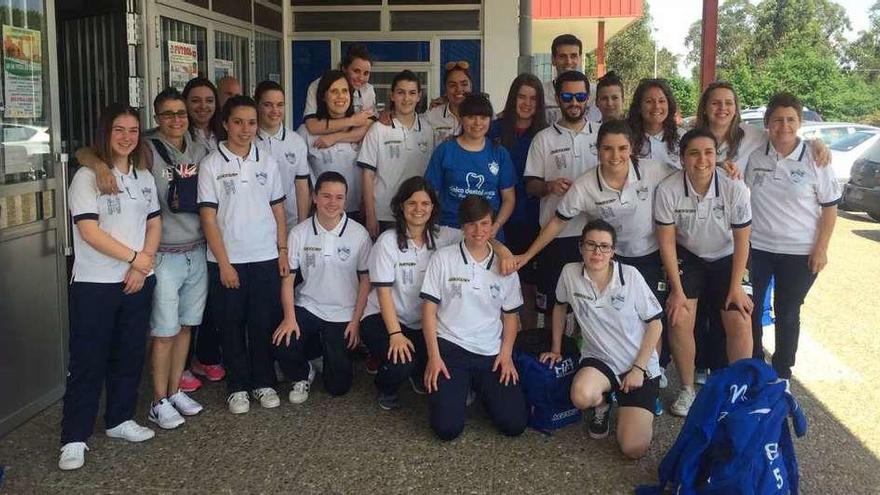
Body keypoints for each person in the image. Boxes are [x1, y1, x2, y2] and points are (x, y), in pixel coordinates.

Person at [59, 103, 161, 470]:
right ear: (106, 133)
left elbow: (154, 223)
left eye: (133, 131)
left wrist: (143, 262)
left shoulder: (143, 176)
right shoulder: (87, 177)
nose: (127, 137)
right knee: (88, 360)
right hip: (96, 284)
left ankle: (119, 419)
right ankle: (74, 437)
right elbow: (89, 232)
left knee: (129, 354)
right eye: (119, 130)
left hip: (136, 281)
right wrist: (136, 257)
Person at [197, 95, 288, 414]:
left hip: (264, 257)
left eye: (251, 122)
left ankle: (264, 382)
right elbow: (208, 217)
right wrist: (224, 264)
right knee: (231, 325)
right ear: (225, 124)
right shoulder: (211, 164)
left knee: (263, 323)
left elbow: (278, 209)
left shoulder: (267, 160)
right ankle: (237, 386)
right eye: (238, 122)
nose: (245, 128)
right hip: (228, 260)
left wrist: (282, 250)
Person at [654, 128, 754, 417]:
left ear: (717, 156)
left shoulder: (735, 187)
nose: (702, 159)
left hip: (728, 257)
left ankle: (739, 390)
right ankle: (687, 389)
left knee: (741, 318)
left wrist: (735, 288)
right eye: (694, 153)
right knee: (679, 317)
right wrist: (677, 290)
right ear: (683, 157)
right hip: (690, 257)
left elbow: (742, 240)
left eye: (709, 152)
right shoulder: (669, 189)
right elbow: (667, 243)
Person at [541, 219, 662, 458]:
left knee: (632, 449)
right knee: (580, 396)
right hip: (600, 360)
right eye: (591, 245)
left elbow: (655, 324)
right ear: (581, 247)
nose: (597, 252)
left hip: (638, 366)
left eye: (604, 246)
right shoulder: (570, 273)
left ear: (613, 251)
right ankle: (602, 404)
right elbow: (559, 306)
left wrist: (638, 368)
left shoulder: (630, 276)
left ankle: (632, 403)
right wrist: (556, 348)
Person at [745, 92, 840, 379]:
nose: (784, 126)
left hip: (800, 252)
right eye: (777, 120)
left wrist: (821, 249)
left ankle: (783, 370)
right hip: (757, 248)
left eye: (790, 120)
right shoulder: (755, 153)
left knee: (787, 310)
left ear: (799, 123)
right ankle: (756, 363)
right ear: (767, 123)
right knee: (750, 308)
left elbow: (829, 208)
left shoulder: (815, 156)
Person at [420, 195, 527, 440]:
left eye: (484, 224)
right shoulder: (443, 259)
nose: (478, 231)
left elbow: (510, 316)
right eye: (471, 224)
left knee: (514, 425)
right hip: (451, 347)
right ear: (462, 226)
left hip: (490, 351)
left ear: (492, 226)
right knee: (446, 430)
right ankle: (459, 388)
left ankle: (479, 388)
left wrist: (506, 354)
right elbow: (428, 311)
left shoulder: (505, 266)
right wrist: (434, 358)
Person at [273, 172, 372, 403]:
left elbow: (366, 282)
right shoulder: (300, 232)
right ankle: (302, 374)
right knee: (283, 342)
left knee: (338, 387)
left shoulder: (359, 234)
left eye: (339, 197)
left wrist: (356, 322)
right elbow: (288, 280)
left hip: (343, 312)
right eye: (326, 196)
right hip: (309, 305)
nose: (332, 203)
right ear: (315, 198)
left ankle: (320, 354)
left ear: (346, 200)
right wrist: (289, 318)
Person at [518, 70, 598, 319]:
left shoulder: (602, 134)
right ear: (557, 98)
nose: (574, 102)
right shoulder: (543, 138)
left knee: (591, 307)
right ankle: (555, 355)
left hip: (594, 236)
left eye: (580, 96)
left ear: (588, 98)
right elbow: (530, 185)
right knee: (555, 306)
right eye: (567, 96)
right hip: (554, 237)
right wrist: (549, 186)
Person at [487, 73, 547, 329]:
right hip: (496, 219)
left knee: (528, 288)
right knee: (496, 282)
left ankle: (528, 342)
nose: (527, 103)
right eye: (521, 96)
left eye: (533, 98)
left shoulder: (545, 134)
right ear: (513, 98)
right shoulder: (494, 129)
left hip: (532, 218)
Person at [425, 93, 516, 239]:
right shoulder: (445, 150)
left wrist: (496, 225)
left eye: (483, 117)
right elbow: (430, 193)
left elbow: (509, 198)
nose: (477, 123)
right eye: (471, 117)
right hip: (449, 230)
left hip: (487, 234)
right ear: (461, 118)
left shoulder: (499, 153)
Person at [358, 70, 435, 239]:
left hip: (418, 213)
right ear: (392, 95)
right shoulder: (378, 129)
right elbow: (367, 175)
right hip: (384, 214)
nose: (406, 98)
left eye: (412, 93)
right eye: (401, 92)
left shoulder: (428, 129)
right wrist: (371, 215)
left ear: (419, 96)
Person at [298, 70, 364, 217]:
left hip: (358, 212)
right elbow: (301, 180)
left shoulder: (362, 127)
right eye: (334, 91)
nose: (341, 96)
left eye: (344, 91)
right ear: (323, 96)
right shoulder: (306, 132)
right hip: (321, 212)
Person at [255, 80, 312, 230]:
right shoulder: (247, 140)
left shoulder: (296, 141)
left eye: (280, 104)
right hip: (256, 223)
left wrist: (302, 225)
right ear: (257, 106)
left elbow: (301, 186)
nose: (275, 110)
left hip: (290, 222)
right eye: (268, 105)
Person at [302, 43, 375, 145]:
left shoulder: (368, 90)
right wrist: (352, 121)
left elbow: (367, 128)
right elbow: (313, 126)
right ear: (344, 68)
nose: (361, 78)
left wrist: (335, 137)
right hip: (319, 144)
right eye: (356, 71)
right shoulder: (318, 85)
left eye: (366, 73)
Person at [542, 34, 600, 124]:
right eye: (562, 56)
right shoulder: (542, 93)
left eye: (573, 56)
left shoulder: (595, 93)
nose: (568, 62)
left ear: (580, 59)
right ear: (553, 60)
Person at [628, 79, 684, 170]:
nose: (656, 106)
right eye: (649, 101)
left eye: (661, 101)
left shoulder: (682, 137)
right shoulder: (625, 137)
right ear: (639, 106)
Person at [425, 61, 472, 143]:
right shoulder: (433, 115)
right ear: (445, 89)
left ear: (471, 87)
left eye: (464, 84)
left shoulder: (482, 114)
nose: (459, 89)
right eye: (452, 85)